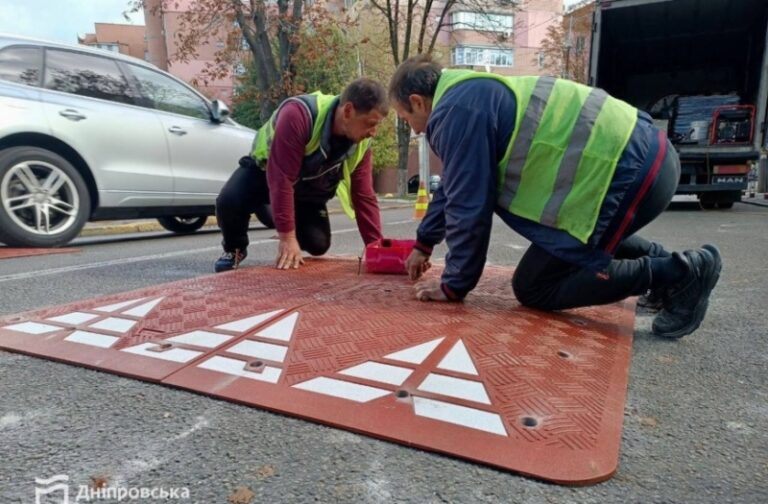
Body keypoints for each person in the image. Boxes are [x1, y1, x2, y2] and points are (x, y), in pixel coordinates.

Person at [389, 55, 721, 339]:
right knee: (572, 244)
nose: (416, 130)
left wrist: (454, 285)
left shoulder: (454, 112)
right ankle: (666, 275)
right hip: (650, 160)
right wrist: (424, 243)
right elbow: (453, 185)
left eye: (407, 119)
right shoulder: (472, 93)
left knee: (535, 286)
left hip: (628, 175)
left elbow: (468, 205)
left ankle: (681, 273)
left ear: (418, 100)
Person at [214, 78, 388, 272]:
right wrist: (287, 238)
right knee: (229, 201)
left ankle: (273, 212)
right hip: (264, 173)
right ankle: (234, 248)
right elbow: (281, 179)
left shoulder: (362, 142)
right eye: (370, 123)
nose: (373, 132)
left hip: (306, 192)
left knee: (318, 244)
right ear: (348, 111)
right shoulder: (298, 115)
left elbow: (363, 196)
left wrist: (376, 249)